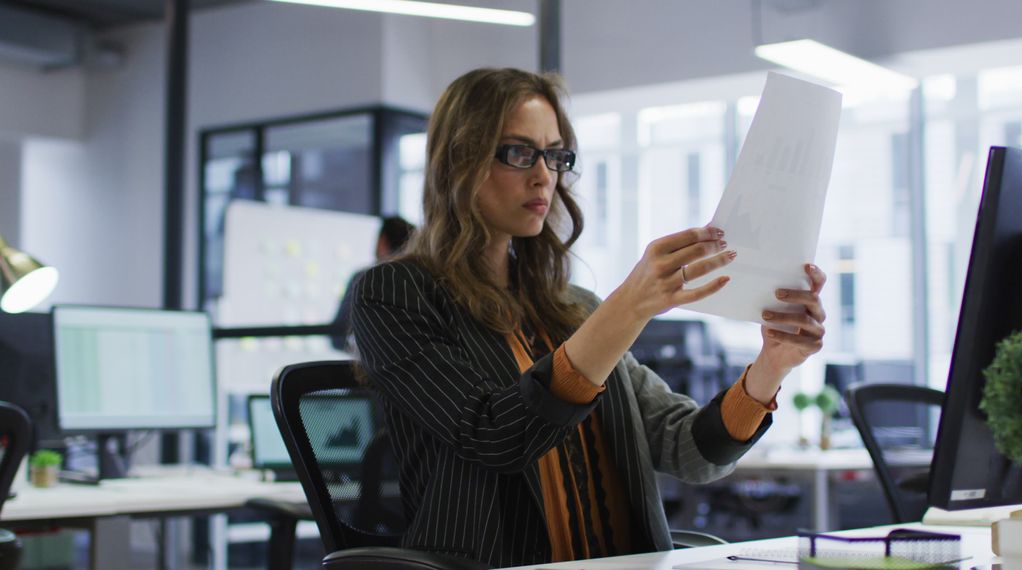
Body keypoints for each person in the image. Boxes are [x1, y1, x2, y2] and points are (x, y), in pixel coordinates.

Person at [349, 68, 826, 567]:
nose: (544, 176)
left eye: (554, 155)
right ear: (458, 162)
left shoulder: (574, 306)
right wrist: (628, 307)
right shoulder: (394, 294)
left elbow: (689, 449)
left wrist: (772, 365)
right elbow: (495, 435)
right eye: (518, 152)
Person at [330, 215, 415, 351]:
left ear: (382, 241)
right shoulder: (419, 280)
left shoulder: (365, 278)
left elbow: (337, 336)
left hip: (372, 366)